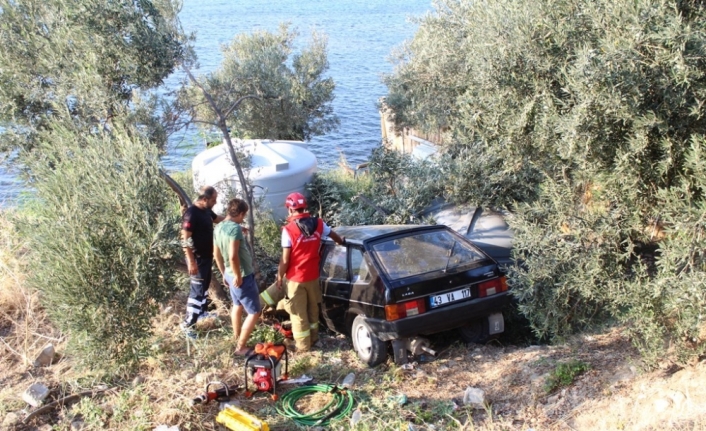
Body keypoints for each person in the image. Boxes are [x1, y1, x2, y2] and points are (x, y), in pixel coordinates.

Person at [276, 192, 345, 352]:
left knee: (299, 314)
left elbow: (285, 260)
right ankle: (314, 338)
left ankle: (303, 346)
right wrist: (342, 242)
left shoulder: (289, 230)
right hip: (313, 276)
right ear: (304, 207)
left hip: (295, 279)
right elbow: (336, 237)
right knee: (313, 308)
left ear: (290, 210)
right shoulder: (319, 224)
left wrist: (280, 277)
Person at [214, 198, 260, 355]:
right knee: (254, 312)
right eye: (243, 215)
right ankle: (241, 347)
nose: (243, 218)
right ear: (240, 213)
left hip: (229, 273)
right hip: (242, 276)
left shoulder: (219, 227)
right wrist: (238, 276)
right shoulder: (235, 229)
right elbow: (233, 256)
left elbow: (217, 254)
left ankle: (237, 337)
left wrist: (224, 274)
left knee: (237, 305)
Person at [180, 186, 224, 336]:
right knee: (197, 291)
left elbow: (218, 219)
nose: (215, 202)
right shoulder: (191, 214)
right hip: (197, 259)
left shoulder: (206, 210)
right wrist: (191, 262)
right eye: (213, 199)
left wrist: (235, 221)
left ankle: (202, 313)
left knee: (204, 286)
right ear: (205, 199)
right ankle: (188, 325)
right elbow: (185, 239)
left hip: (206, 257)